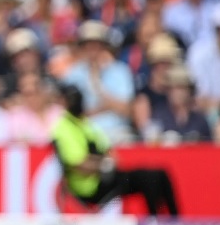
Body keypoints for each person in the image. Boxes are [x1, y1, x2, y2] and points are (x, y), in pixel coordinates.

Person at [53, 84, 180, 216]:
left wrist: (108, 162)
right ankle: (155, 221)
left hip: (107, 176)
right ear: (64, 101)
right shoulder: (63, 127)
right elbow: (78, 164)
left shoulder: (84, 122)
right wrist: (103, 164)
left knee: (160, 174)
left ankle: (175, 219)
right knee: (148, 179)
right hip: (90, 187)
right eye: (73, 99)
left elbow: (108, 150)